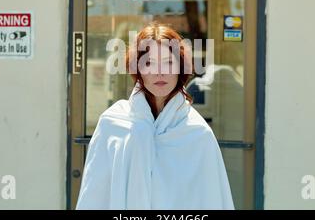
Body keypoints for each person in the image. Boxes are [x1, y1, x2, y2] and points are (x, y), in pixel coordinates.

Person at [76, 22, 234, 210]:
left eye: (168, 62)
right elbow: (94, 197)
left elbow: (212, 201)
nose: (160, 72)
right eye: (149, 63)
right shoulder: (113, 125)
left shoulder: (198, 134)